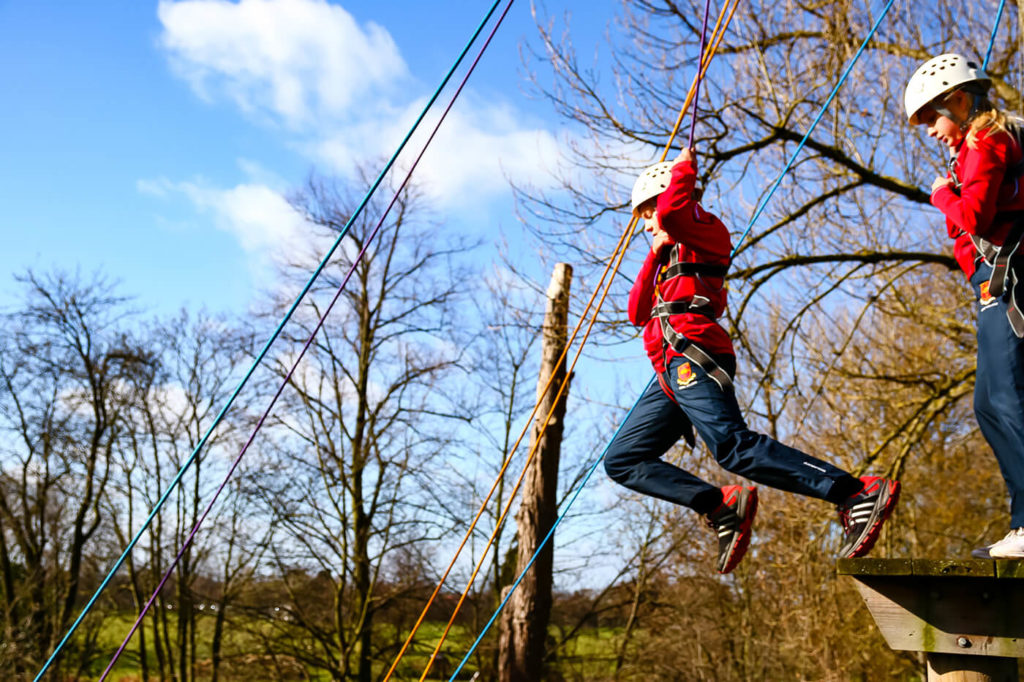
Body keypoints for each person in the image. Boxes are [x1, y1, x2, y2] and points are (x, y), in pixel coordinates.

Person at [603, 148, 901, 573]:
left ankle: (853, 491)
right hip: (666, 370)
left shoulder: (706, 231)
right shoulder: (667, 256)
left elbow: (672, 213)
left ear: (665, 199)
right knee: (623, 459)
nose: (647, 224)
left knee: (732, 446)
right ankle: (720, 505)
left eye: (647, 212)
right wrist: (655, 254)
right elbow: (636, 313)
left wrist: (684, 168)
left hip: (694, 350)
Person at [904, 53, 1024, 559]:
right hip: (992, 284)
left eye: (933, 117)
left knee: (1008, 398)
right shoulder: (981, 144)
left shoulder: (984, 141)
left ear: (958, 99)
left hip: (1009, 280)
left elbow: (973, 216)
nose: (931, 130)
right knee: (986, 403)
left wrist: (940, 195)